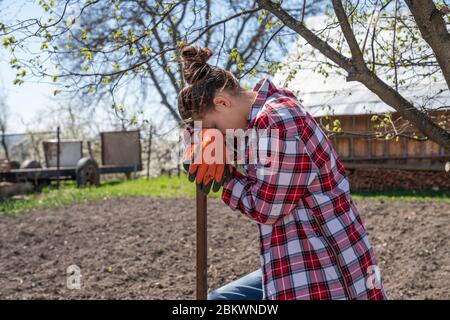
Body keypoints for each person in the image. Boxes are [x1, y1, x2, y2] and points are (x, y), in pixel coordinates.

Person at [177, 44, 388, 300]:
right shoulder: (255, 123)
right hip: (292, 255)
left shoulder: (278, 121)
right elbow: (235, 144)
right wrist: (197, 141)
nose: (219, 136)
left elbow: (266, 208)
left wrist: (226, 177)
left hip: (327, 266)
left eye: (214, 128)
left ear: (222, 102)